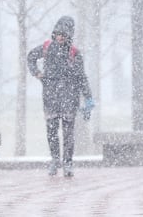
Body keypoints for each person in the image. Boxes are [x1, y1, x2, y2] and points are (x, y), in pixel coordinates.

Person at [27, 16, 94, 177]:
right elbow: (31, 57)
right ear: (54, 33)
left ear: (69, 35)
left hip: (70, 97)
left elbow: (81, 77)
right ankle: (55, 160)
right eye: (58, 34)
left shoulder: (74, 53)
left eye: (64, 35)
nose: (60, 37)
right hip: (51, 96)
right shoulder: (46, 47)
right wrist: (37, 73)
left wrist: (88, 98)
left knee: (68, 133)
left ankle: (68, 163)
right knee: (51, 130)